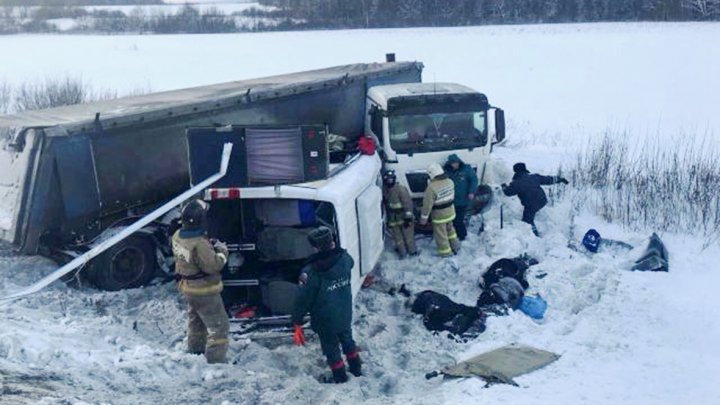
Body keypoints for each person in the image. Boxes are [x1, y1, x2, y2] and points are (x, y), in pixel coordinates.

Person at [291, 226, 362, 383]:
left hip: (325, 319)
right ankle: (356, 368)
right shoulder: (344, 258)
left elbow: (303, 298)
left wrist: (296, 320)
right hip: (344, 312)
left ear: (315, 248)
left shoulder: (310, 272)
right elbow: (350, 264)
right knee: (348, 339)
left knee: (331, 349)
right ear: (332, 242)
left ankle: (340, 377)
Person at [172, 199, 230, 364]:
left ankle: (195, 350)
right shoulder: (200, 244)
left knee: (196, 322)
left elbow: (190, 257)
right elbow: (212, 266)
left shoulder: (177, 236)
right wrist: (221, 252)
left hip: (189, 288)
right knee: (219, 326)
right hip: (204, 291)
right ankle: (216, 360)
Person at [501, 163, 569, 236]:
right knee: (531, 210)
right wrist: (560, 179)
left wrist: (503, 186)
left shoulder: (516, 183)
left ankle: (534, 236)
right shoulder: (534, 177)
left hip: (531, 204)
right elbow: (548, 179)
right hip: (543, 200)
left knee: (527, 220)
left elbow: (508, 192)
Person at [419, 163, 460, 257]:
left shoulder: (431, 188)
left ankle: (446, 253)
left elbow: (427, 206)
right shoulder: (450, 181)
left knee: (441, 235)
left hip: (439, 216)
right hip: (451, 212)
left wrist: (423, 220)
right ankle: (455, 246)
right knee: (451, 230)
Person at [382, 169, 417, 258]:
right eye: (387, 179)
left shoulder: (401, 189)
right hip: (393, 218)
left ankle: (412, 251)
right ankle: (402, 252)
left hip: (403, 216)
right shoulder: (385, 190)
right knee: (397, 237)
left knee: (408, 235)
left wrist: (408, 218)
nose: (389, 181)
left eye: (391, 179)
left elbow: (408, 204)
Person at [444, 154, 478, 241]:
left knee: (458, 219)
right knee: (453, 219)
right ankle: (455, 234)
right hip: (451, 200)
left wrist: (471, 192)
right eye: (452, 163)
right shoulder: (447, 171)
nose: (454, 165)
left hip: (463, 200)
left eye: (456, 163)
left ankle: (462, 235)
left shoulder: (466, 169)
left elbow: (474, 180)